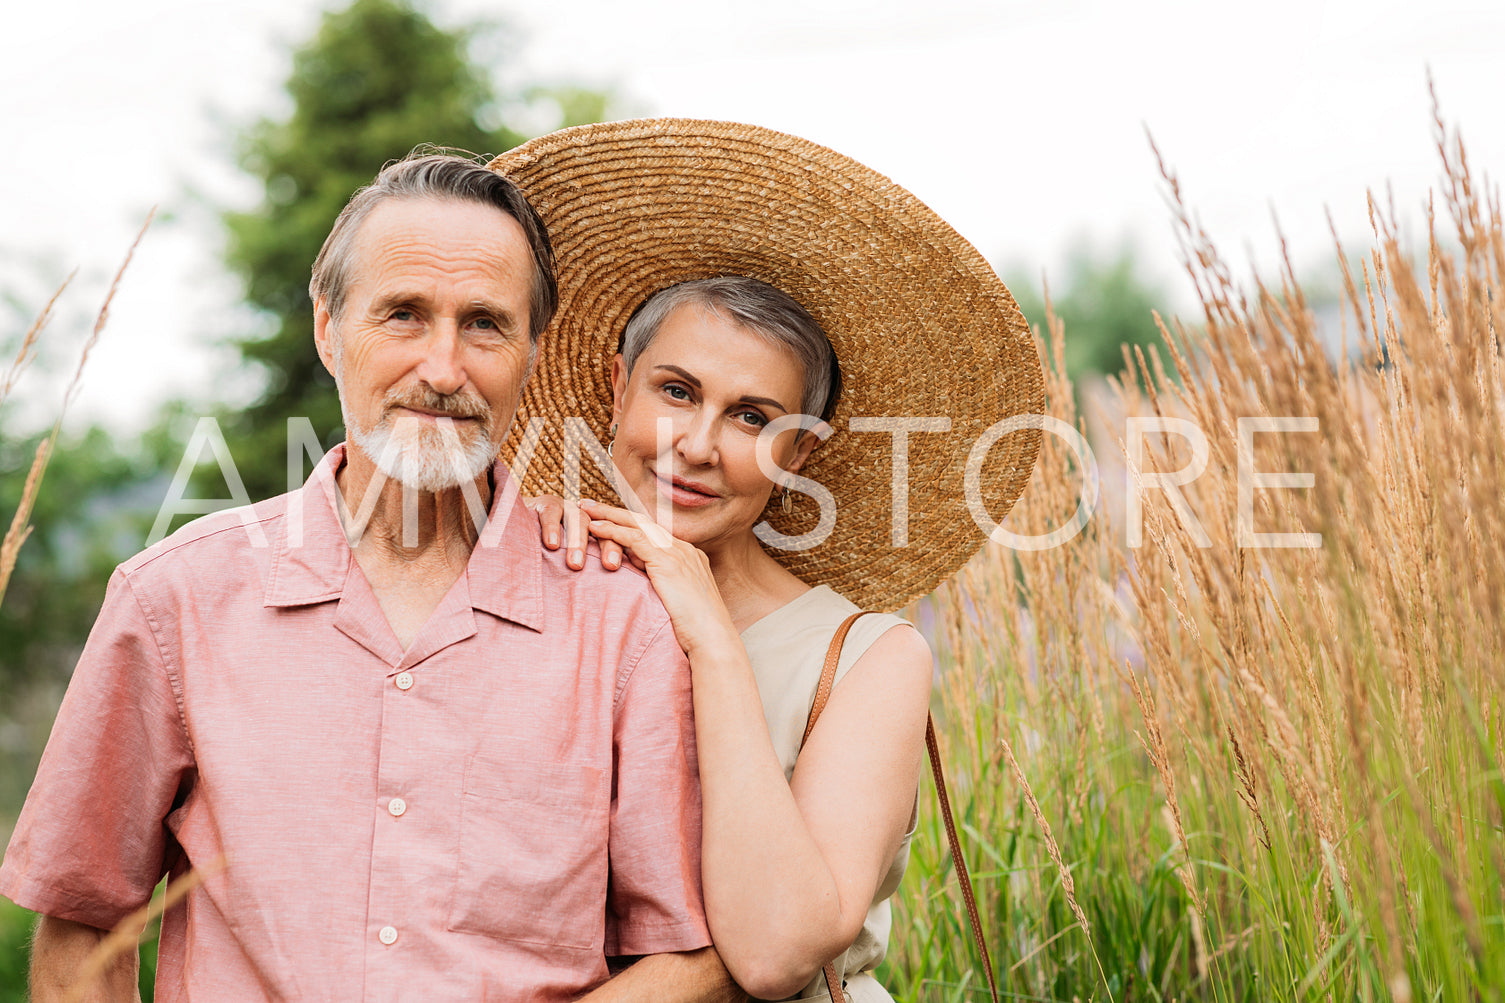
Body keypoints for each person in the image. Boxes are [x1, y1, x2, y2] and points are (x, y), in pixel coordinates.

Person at [0, 153, 730, 1001]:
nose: (444, 368)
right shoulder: (174, 599)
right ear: (328, 330)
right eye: (404, 315)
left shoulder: (621, 622)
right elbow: (82, 924)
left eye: (485, 324)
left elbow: (682, 953)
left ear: (532, 353)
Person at [487, 120, 1045, 1001]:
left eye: (753, 417)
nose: (697, 446)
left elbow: (776, 951)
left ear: (800, 452)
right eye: (676, 391)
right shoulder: (517, 592)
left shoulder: (865, 658)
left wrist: (709, 632)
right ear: (614, 385)